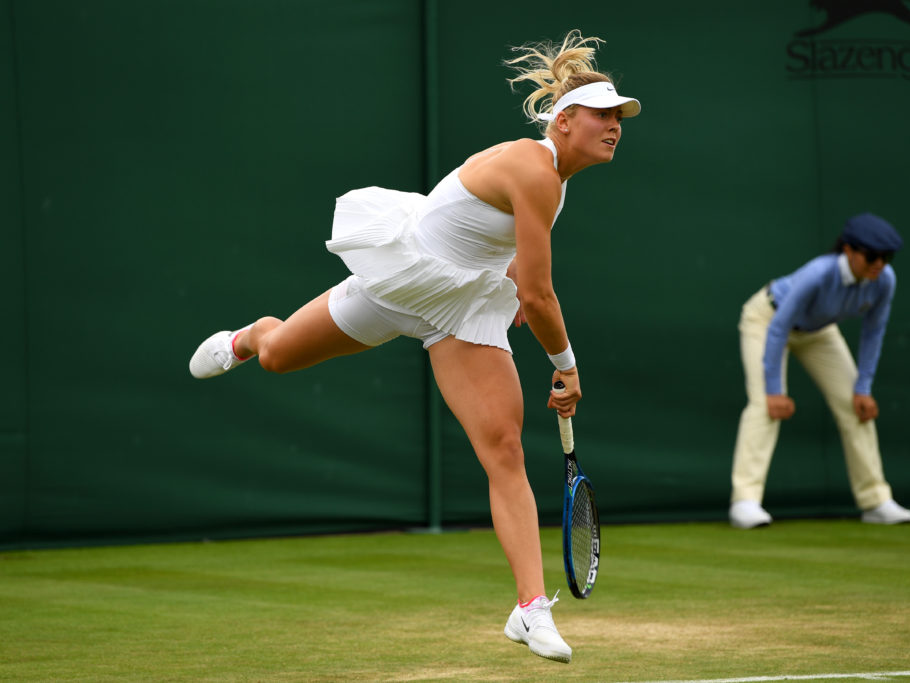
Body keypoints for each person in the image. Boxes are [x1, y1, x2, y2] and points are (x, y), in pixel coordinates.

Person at [187, 30, 640, 663]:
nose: (615, 126)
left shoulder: (554, 182)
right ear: (563, 122)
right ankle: (253, 335)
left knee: (504, 449)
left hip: (457, 309)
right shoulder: (533, 170)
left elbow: (503, 248)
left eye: (619, 117)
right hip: (402, 281)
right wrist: (565, 367)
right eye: (602, 115)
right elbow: (540, 297)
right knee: (281, 355)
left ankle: (530, 609)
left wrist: (502, 283)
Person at [728, 213, 910, 530]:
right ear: (849, 251)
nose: (879, 264)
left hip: (818, 332)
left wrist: (863, 389)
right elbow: (778, 328)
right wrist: (775, 391)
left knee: (854, 405)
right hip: (767, 320)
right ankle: (745, 502)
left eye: (887, 257)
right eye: (872, 256)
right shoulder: (819, 273)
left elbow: (873, 333)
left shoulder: (885, 280)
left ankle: (875, 501)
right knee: (764, 405)